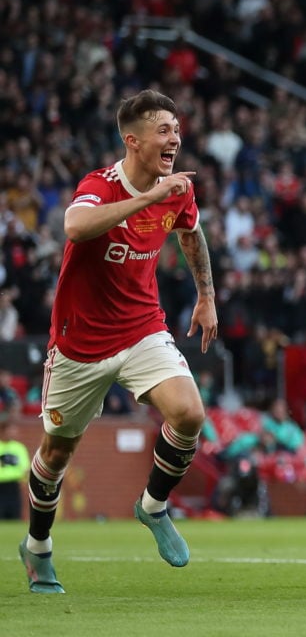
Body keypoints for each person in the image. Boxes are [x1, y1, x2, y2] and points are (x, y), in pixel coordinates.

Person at [17, 89, 218, 595]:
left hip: (141, 328)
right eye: (163, 131)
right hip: (79, 344)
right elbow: (74, 225)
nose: (175, 139)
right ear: (133, 140)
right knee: (56, 456)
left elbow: (191, 234)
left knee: (190, 414)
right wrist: (150, 196)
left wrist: (206, 297)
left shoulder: (179, 189)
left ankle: (152, 506)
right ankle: (38, 547)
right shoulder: (101, 185)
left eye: (176, 128)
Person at [0, 414, 30, 519]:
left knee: (14, 515)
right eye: (9, 430)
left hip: (14, 486)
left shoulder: (19, 448)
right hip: (1, 486)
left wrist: (25, 481)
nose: (12, 433)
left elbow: (25, 468)